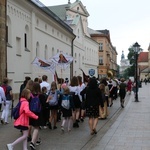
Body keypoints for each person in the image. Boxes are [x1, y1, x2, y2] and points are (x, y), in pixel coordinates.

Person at [29, 82, 43, 150]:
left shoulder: (30, 95)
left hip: (31, 112)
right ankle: (32, 142)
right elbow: (44, 104)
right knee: (37, 128)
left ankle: (37, 140)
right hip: (38, 113)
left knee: (34, 126)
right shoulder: (40, 95)